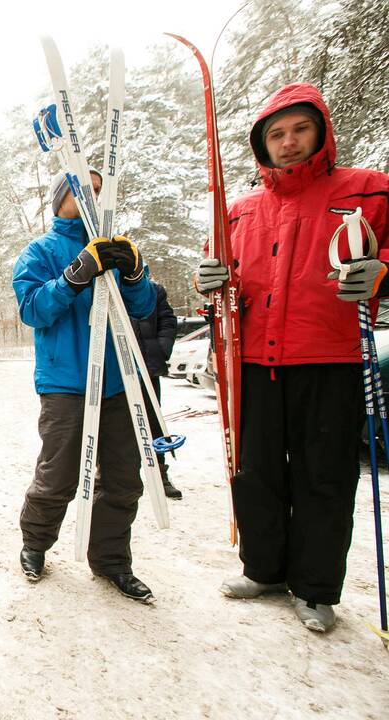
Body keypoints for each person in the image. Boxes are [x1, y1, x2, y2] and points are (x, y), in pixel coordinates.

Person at [195, 83, 389, 633]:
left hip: (329, 357)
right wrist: (210, 279)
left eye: (299, 129)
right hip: (254, 360)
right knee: (253, 472)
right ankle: (264, 569)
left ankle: (316, 588)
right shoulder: (239, 211)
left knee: (323, 476)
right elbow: (221, 277)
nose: (288, 142)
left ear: (322, 131)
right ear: (262, 145)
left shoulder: (369, 191)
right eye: (276, 134)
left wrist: (382, 272)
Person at [14, 170, 160, 603]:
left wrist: (133, 271)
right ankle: (35, 544)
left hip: (118, 381)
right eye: (82, 191)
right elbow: (33, 310)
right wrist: (75, 275)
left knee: (122, 477)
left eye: (99, 192)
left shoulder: (117, 248)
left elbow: (146, 305)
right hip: (65, 381)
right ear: (60, 199)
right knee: (58, 473)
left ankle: (111, 560)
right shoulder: (39, 251)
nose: (91, 199)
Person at [129, 279, 182, 499]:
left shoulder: (152, 289)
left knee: (153, 422)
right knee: (116, 424)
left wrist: (161, 348)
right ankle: (119, 476)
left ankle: (159, 474)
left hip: (148, 366)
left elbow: (168, 321)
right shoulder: (105, 287)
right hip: (116, 369)